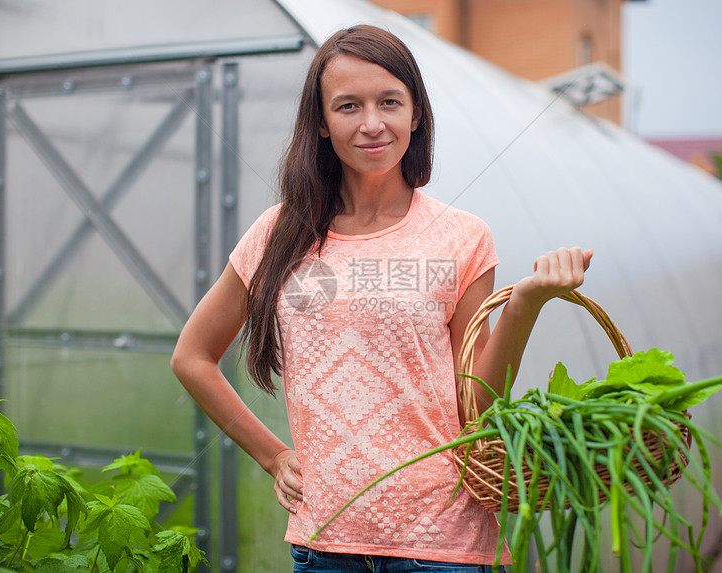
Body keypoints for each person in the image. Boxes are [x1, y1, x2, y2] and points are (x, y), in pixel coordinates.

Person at [171, 24, 592, 573]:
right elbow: (192, 357)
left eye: (389, 102)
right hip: (325, 543)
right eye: (348, 106)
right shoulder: (278, 234)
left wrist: (526, 304)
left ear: (415, 114)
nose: (372, 124)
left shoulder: (462, 236)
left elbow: (479, 405)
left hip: (443, 545)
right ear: (321, 124)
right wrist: (273, 455)